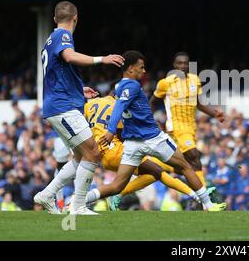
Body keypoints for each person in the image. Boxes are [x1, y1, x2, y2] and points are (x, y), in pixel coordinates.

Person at [90, 50, 226, 211]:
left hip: (132, 143)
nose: (144, 70)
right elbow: (119, 108)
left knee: (117, 185)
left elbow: (127, 106)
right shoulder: (133, 85)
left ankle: (77, 201)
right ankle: (208, 204)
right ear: (131, 68)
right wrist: (111, 130)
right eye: (141, 67)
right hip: (153, 138)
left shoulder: (119, 86)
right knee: (186, 166)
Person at [34, 1, 124, 215]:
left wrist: (78, 89)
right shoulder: (63, 36)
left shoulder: (49, 40)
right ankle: (79, 206)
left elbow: (57, 74)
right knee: (93, 152)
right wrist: (103, 59)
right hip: (62, 107)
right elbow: (70, 57)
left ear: (55, 18)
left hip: (60, 103)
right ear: (76, 18)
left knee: (80, 156)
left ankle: (47, 195)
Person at [82, 94, 202, 210]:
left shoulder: (90, 105)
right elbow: (121, 135)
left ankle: (195, 195)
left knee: (154, 174)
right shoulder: (117, 107)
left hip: (103, 156)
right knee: (157, 172)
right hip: (116, 152)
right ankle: (196, 195)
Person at [149, 52, 226, 190]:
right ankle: (204, 196)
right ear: (174, 65)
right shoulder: (165, 83)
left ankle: (157, 162)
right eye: (180, 63)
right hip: (176, 127)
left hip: (190, 128)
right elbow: (153, 102)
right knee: (194, 156)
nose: (183, 66)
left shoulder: (195, 80)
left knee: (185, 164)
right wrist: (149, 121)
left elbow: (198, 103)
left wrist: (215, 114)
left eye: (185, 63)